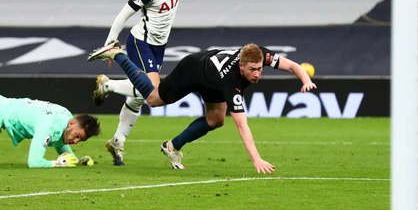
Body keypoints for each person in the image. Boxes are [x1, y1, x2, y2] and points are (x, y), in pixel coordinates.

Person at [89, 0, 270, 166]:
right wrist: (110, 44)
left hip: (159, 45)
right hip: (141, 43)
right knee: (153, 94)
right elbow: (122, 16)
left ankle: (118, 140)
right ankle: (108, 85)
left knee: (139, 95)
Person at [88, 42, 316, 174]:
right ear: (241, 65)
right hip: (194, 70)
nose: (257, 74)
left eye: (260, 69)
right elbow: (242, 126)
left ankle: (171, 146)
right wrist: (256, 158)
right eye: (252, 70)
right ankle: (117, 54)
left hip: (212, 76)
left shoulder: (259, 54)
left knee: (216, 119)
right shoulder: (232, 82)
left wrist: (305, 80)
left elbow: (293, 65)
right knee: (153, 99)